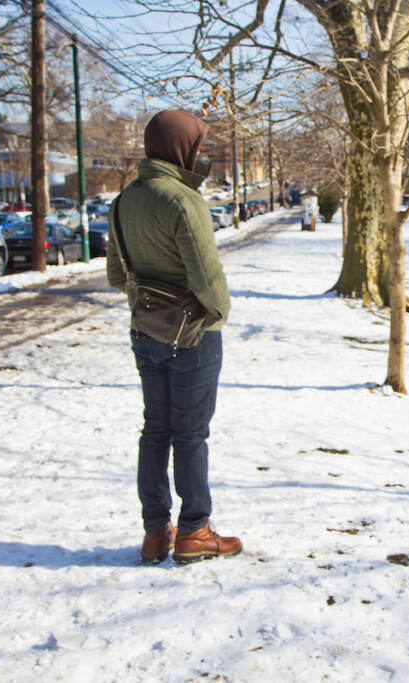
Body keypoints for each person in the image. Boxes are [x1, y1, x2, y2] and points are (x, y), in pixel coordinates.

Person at [106, 109, 242, 565]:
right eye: (198, 146)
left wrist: (148, 305)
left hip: (145, 330)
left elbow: (115, 274)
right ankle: (194, 531)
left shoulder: (123, 201)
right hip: (193, 334)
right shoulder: (183, 200)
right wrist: (218, 313)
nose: (200, 155)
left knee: (155, 431)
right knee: (190, 434)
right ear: (181, 148)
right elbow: (206, 273)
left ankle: (153, 533)